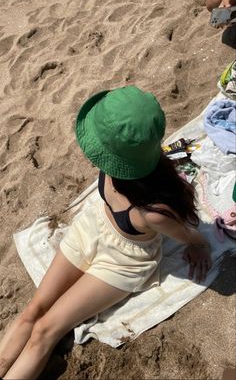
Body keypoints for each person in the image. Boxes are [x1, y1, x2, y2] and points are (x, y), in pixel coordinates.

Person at [0, 86, 212, 380]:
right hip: (92, 229)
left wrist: (199, 245)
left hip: (123, 263)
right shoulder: (119, 166)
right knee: (32, 310)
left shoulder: (153, 211)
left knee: (45, 331)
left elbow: (189, 235)